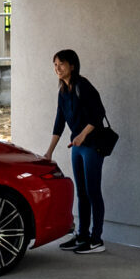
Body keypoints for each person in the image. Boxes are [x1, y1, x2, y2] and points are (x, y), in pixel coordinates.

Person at [43, 49, 108, 254]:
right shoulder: (63, 91)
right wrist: (49, 151)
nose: (57, 68)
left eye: (61, 64)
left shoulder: (82, 85)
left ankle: (96, 240)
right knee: (81, 193)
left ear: (72, 65)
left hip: (92, 146)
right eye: (55, 64)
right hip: (77, 147)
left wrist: (82, 135)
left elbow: (98, 114)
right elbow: (59, 122)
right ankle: (82, 235)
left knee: (93, 191)